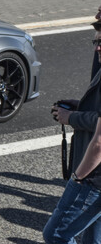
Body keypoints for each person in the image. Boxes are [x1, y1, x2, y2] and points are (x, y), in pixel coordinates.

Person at [45, 22, 101, 243]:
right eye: (96, 41)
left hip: (94, 177)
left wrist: (78, 178)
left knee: (56, 234)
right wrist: (81, 105)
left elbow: (99, 141)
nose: (97, 48)